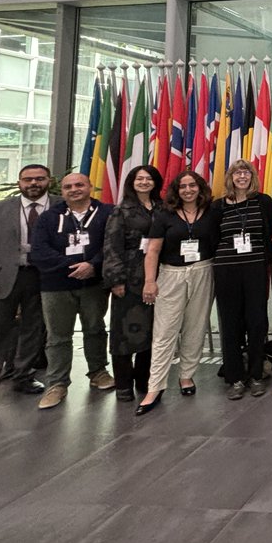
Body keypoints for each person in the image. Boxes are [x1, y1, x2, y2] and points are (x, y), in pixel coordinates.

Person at [0, 164, 57, 416]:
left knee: (34, 330)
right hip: (1, 279)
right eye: (28, 179)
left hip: (43, 278)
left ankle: (23, 375)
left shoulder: (60, 206)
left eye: (39, 179)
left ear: (49, 180)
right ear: (19, 183)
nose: (33, 183)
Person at [29, 172, 114, 410]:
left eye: (79, 185)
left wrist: (93, 265)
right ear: (62, 191)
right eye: (68, 186)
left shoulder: (107, 213)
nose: (74, 189)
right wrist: (74, 266)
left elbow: (113, 245)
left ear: (90, 187)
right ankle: (56, 384)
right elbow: (39, 251)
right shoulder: (48, 217)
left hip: (93, 284)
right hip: (56, 286)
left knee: (95, 329)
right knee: (57, 336)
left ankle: (98, 373)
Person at [139, 170, 219, 415]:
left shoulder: (212, 212)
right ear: (176, 190)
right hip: (171, 274)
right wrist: (149, 281)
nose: (188, 190)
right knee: (164, 332)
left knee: (195, 328)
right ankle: (155, 387)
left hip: (203, 271)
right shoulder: (165, 214)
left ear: (200, 188)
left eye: (192, 185)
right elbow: (152, 251)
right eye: (183, 186)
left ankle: (187, 376)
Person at [213, 159, 272, 400]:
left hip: (256, 270)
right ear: (230, 178)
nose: (242, 177)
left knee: (257, 322)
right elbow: (212, 237)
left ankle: (257, 374)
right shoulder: (218, 206)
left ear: (252, 177)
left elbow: (270, 232)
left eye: (246, 173)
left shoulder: (263, 201)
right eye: (237, 173)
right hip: (226, 270)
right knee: (230, 324)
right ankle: (235, 377)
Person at [102, 165, 162, 402]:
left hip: (156, 275)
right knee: (123, 333)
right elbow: (111, 246)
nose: (144, 182)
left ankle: (144, 380)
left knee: (152, 330)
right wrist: (115, 280)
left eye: (149, 178)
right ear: (131, 182)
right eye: (139, 179)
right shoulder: (121, 210)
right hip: (129, 276)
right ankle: (123, 384)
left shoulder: (162, 208)